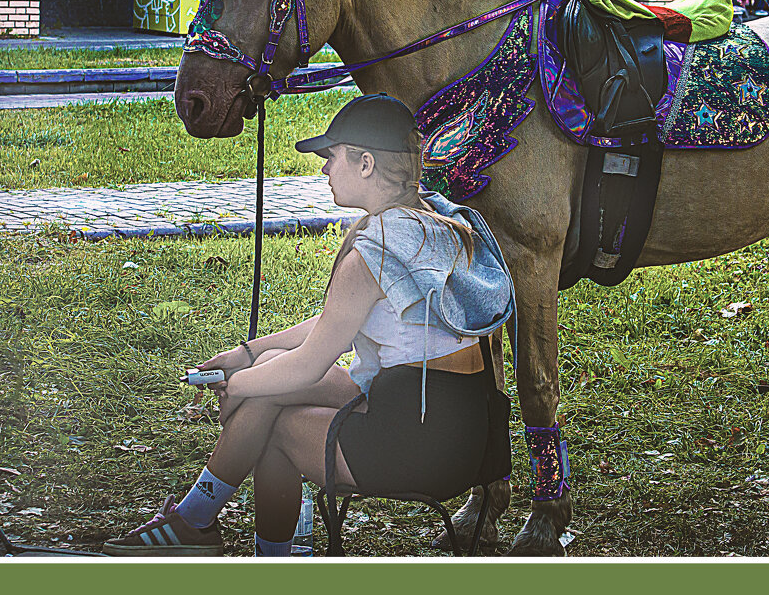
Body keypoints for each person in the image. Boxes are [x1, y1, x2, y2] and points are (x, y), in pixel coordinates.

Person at [102, 93, 515, 557]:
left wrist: (239, 387)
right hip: (465, 433)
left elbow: (312, 364)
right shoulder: (442, 222)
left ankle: (256, 552)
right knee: (273, 373)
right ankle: (195, 520)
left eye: (330, 157)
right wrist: (250, 355)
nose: (323, 170)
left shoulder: (375, 250)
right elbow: (337, 321)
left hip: (418, 446)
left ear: (364, 164)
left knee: (274, 424)